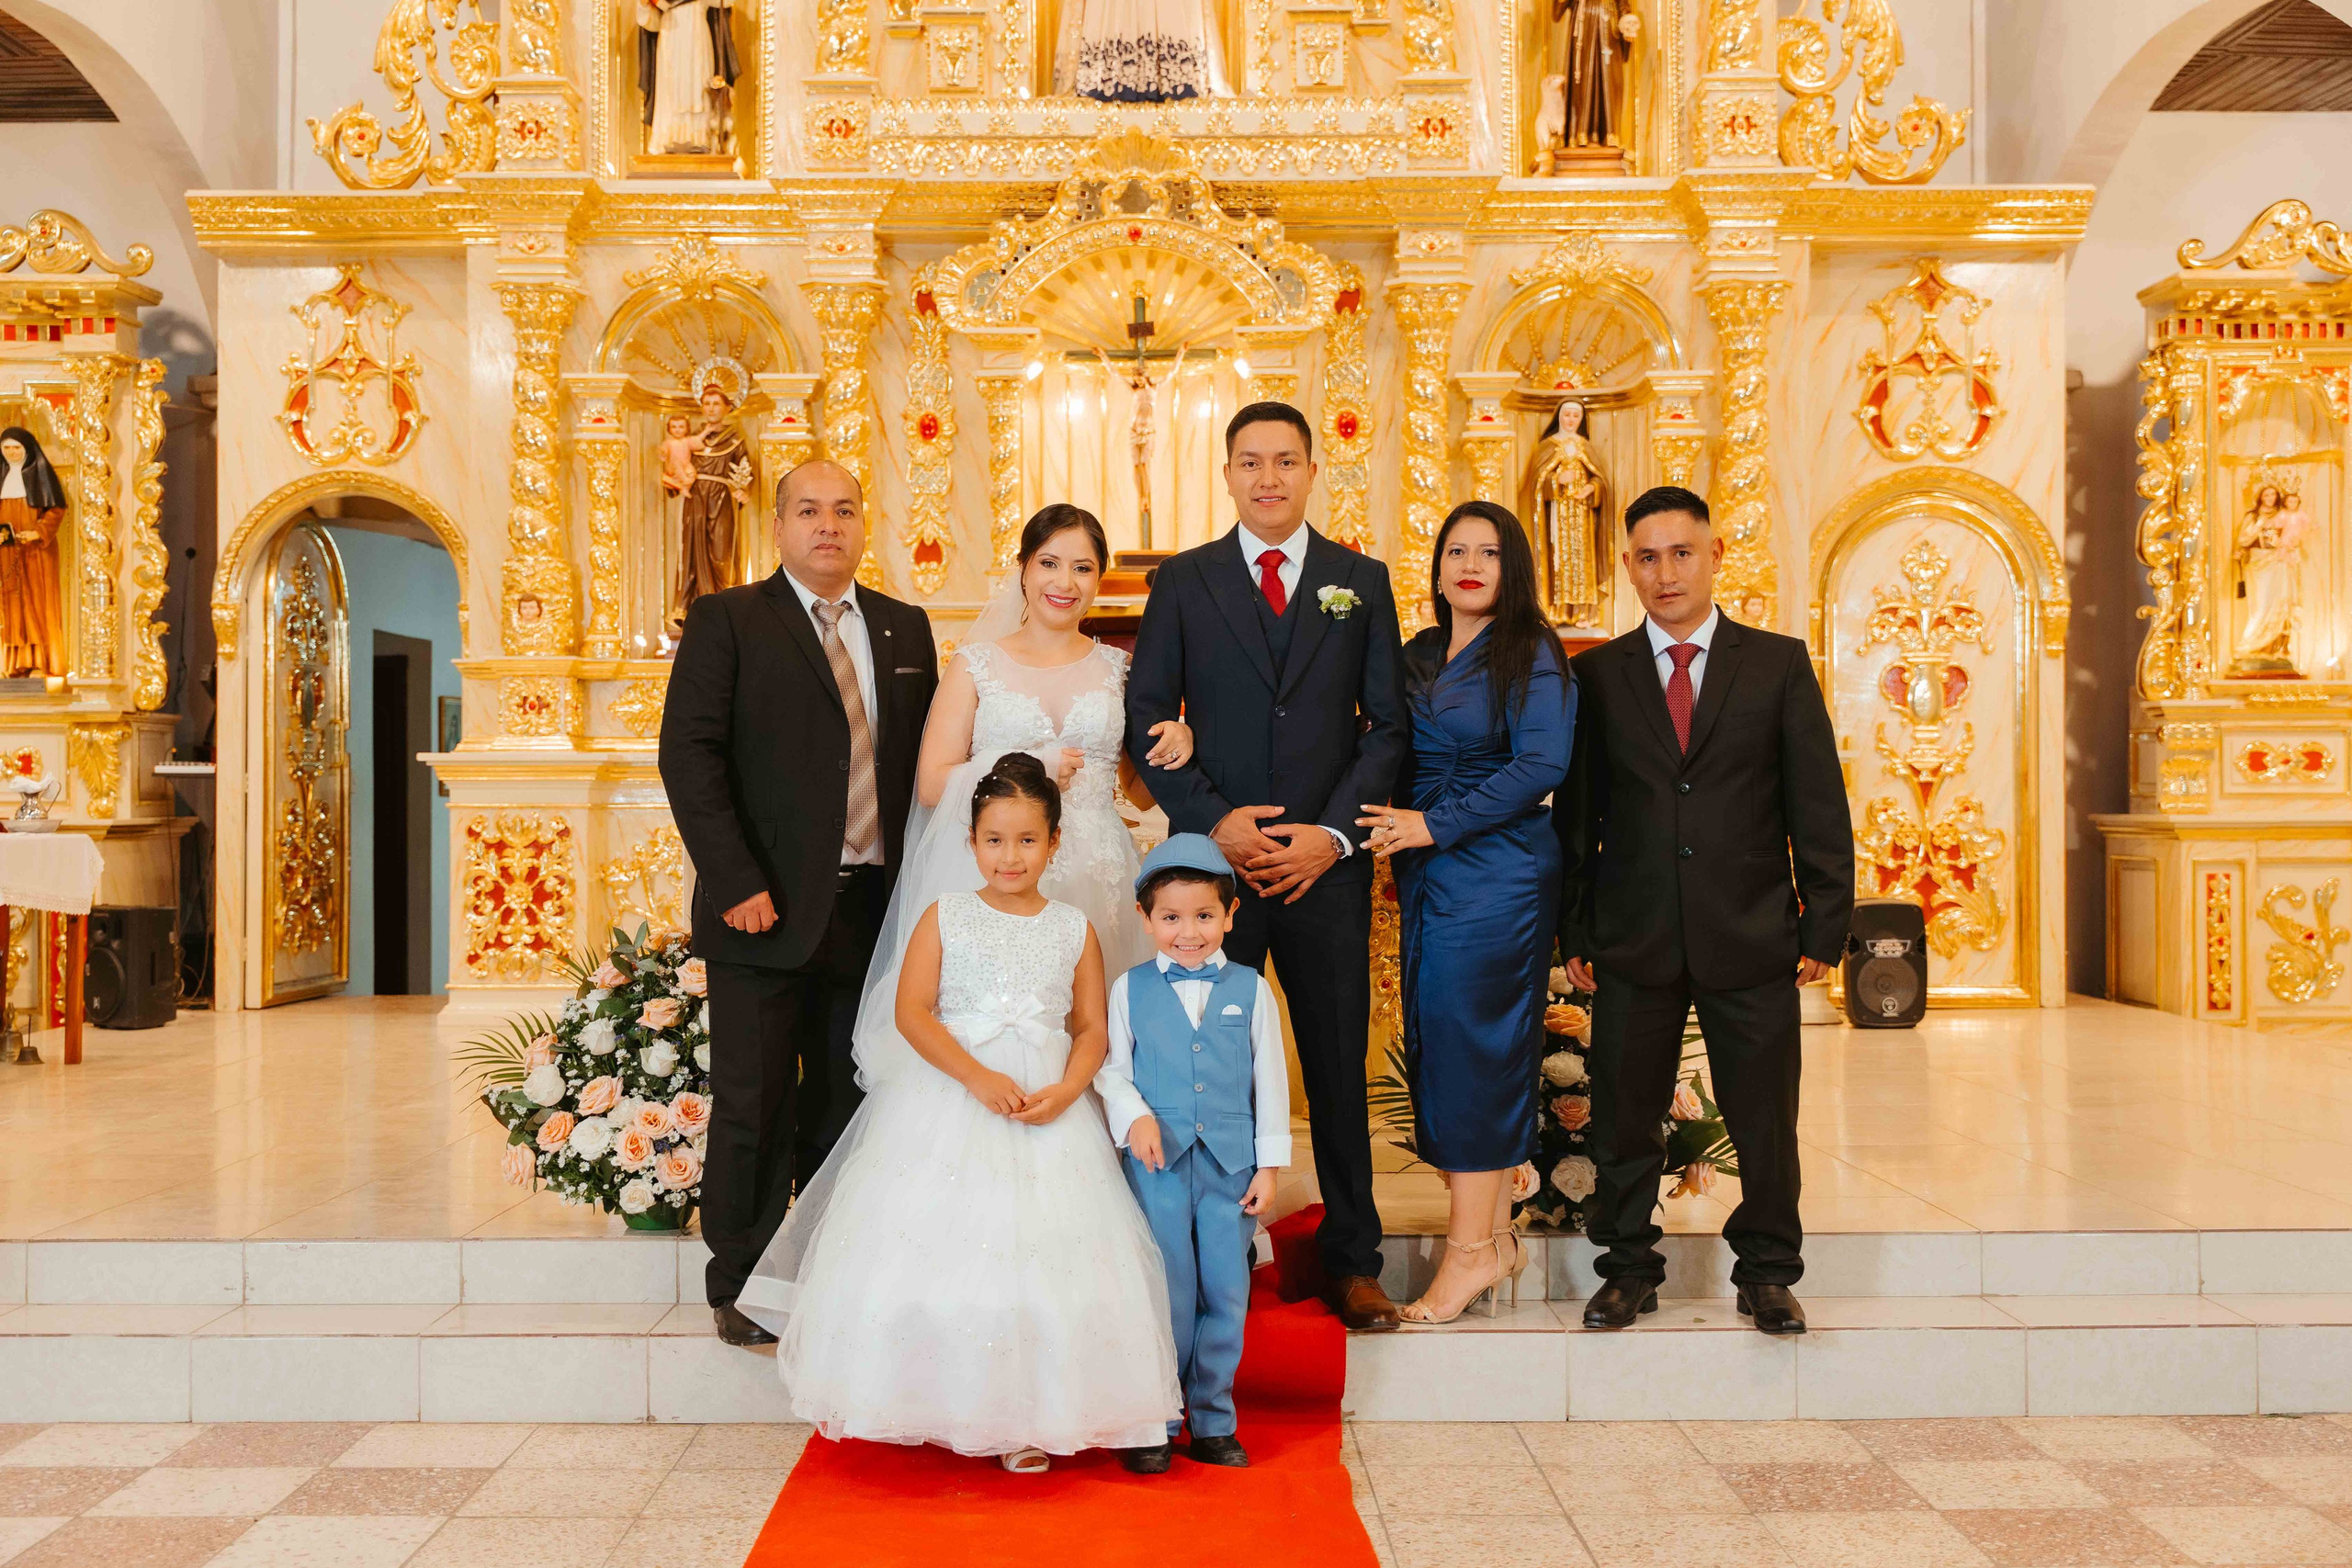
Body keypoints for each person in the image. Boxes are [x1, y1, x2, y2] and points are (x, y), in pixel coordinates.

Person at [742, 755, 1183, 1473]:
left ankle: (1031, 1415)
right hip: (954, 1093)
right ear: (972, 841)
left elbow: (1093, 1027)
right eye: (995, 839)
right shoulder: (944, 915)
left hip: (1048, 1104)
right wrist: (975, 1074)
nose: (1011, 856)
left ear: (1056, 840)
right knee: (946, 1249)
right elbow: (913, 1012)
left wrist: (1072, 1089)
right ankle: (941, 1400)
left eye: (1028, 840)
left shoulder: (1073, 927)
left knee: (1045, 1255)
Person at [1126, 400, 1408, 1332]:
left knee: (1335, 1066)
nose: (1269, 477)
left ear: (1312, 468)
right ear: (1227, 473)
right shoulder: (1184, 580)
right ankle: (1213, 1254)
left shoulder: (1358, 581)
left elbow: (1388, 726)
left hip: (1323, 872)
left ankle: (1353, 1262)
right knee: (1208, 1070)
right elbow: (1145, 719)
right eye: (1250, 461)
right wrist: (1216, 825)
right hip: (1218, 881)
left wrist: (1332, 837)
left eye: (1286, 460)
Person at [1552, 484, 1851, 1336]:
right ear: (1628, 567)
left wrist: (1824, 920)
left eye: (1682, 552)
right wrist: (1577, 927)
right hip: (1632, 934)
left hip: (1753, 931)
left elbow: (1818, 803)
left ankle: (1767, 1271)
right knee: (1623, 1114)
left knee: (1764, 1116)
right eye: (1647, 557)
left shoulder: (1777, 663)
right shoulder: (1598, 676)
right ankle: (1628, 1268)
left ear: (1715, 556)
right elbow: (1580, 817)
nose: (1666, 572)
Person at [658, 459, 937, 1348]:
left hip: (874, 908)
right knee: (755, 1100)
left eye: (845, 510)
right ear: (778, 527)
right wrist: (736, 881)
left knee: (846, 1100)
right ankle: (738, 1282)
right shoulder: (730, 620)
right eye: (809, 511)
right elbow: (690, 758)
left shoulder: (902, 627)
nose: (829, 525)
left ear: (865, 524)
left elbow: (928, 769)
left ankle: (819, 1269)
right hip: (763, 909)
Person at [1359, 501, 1575, 1324]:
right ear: (1438, 565)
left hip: (1499, 873)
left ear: (1512, 565)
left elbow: (1542, 763)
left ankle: (1470, 1255)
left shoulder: (1533, 649)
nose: (1471, 563)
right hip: (1427, 872)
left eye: (1489, 550)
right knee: (1440, 1047)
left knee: (1475, 1048)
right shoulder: (1416, 653)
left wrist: (1433, 823)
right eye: (1456, 549)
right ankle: (1494, 1236)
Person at [1095, 834, 1291, 1472]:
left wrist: (1268, 1165)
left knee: (1226, 1292)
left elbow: (1272, 1079)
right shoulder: (1128, 989)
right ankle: (1156, 1416)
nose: (1189, 932)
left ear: (1230, 916)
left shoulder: (1251, 989)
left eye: (1204, 915)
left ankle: (1213, 1417)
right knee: (1166, 1292)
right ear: (1147, 918)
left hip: (1229, 1168)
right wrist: (1136, 1117)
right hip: (1158, 1165)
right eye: (1171, 917)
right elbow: (1110, 1071)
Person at [673, 379, 752, 630]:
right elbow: (674, 464)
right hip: (695, 500)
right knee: (694, 553)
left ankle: (726, 604)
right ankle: (696, 607)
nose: (710, 408)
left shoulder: (734, 438)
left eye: (716, 403)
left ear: (727, 407)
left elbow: (744, 469)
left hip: (721, 499)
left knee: (721, 553)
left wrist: (743, 489)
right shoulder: (691, 439)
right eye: (706, 403)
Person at [0, 427, 67, 680]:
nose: (11, 452)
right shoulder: (2, 475)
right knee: (12, 607)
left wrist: (38, 532)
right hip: (6, 552)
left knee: (38, 605)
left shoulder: (40, 475)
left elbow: (56, 510)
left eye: (16, 447)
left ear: (27, 449)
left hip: (36, 553)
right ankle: (14, 665)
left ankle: (41, 663)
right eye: (6, 448)